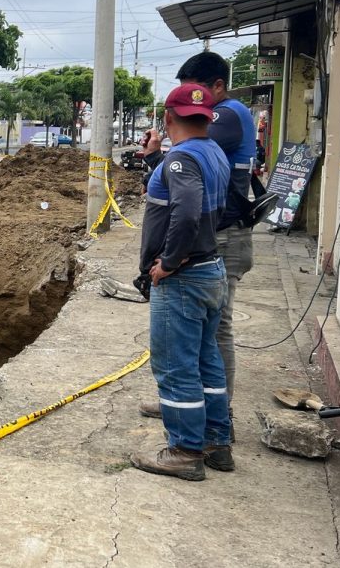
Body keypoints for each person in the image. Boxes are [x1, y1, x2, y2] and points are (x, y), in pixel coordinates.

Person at [139, 52, 257, 419]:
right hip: (214, 239)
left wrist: (170, 261)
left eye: (198, 91)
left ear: (218, 87)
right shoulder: (206, 144)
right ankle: (204, 411)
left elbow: (186, 202)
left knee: (210, 334)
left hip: (214, 242)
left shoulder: (227, 116)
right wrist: (156, 158)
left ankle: (208, 413)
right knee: (201, 337)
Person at [130, 82, 232, 481]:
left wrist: (168, 262)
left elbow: (187, 212)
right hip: (209, 269)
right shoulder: (215, 153)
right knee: (208, 361)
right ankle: (215, 441)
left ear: (168, 118)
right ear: (207, 118)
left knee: (175, 367)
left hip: (185, 279)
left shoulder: (180, 160)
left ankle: (185, 450)